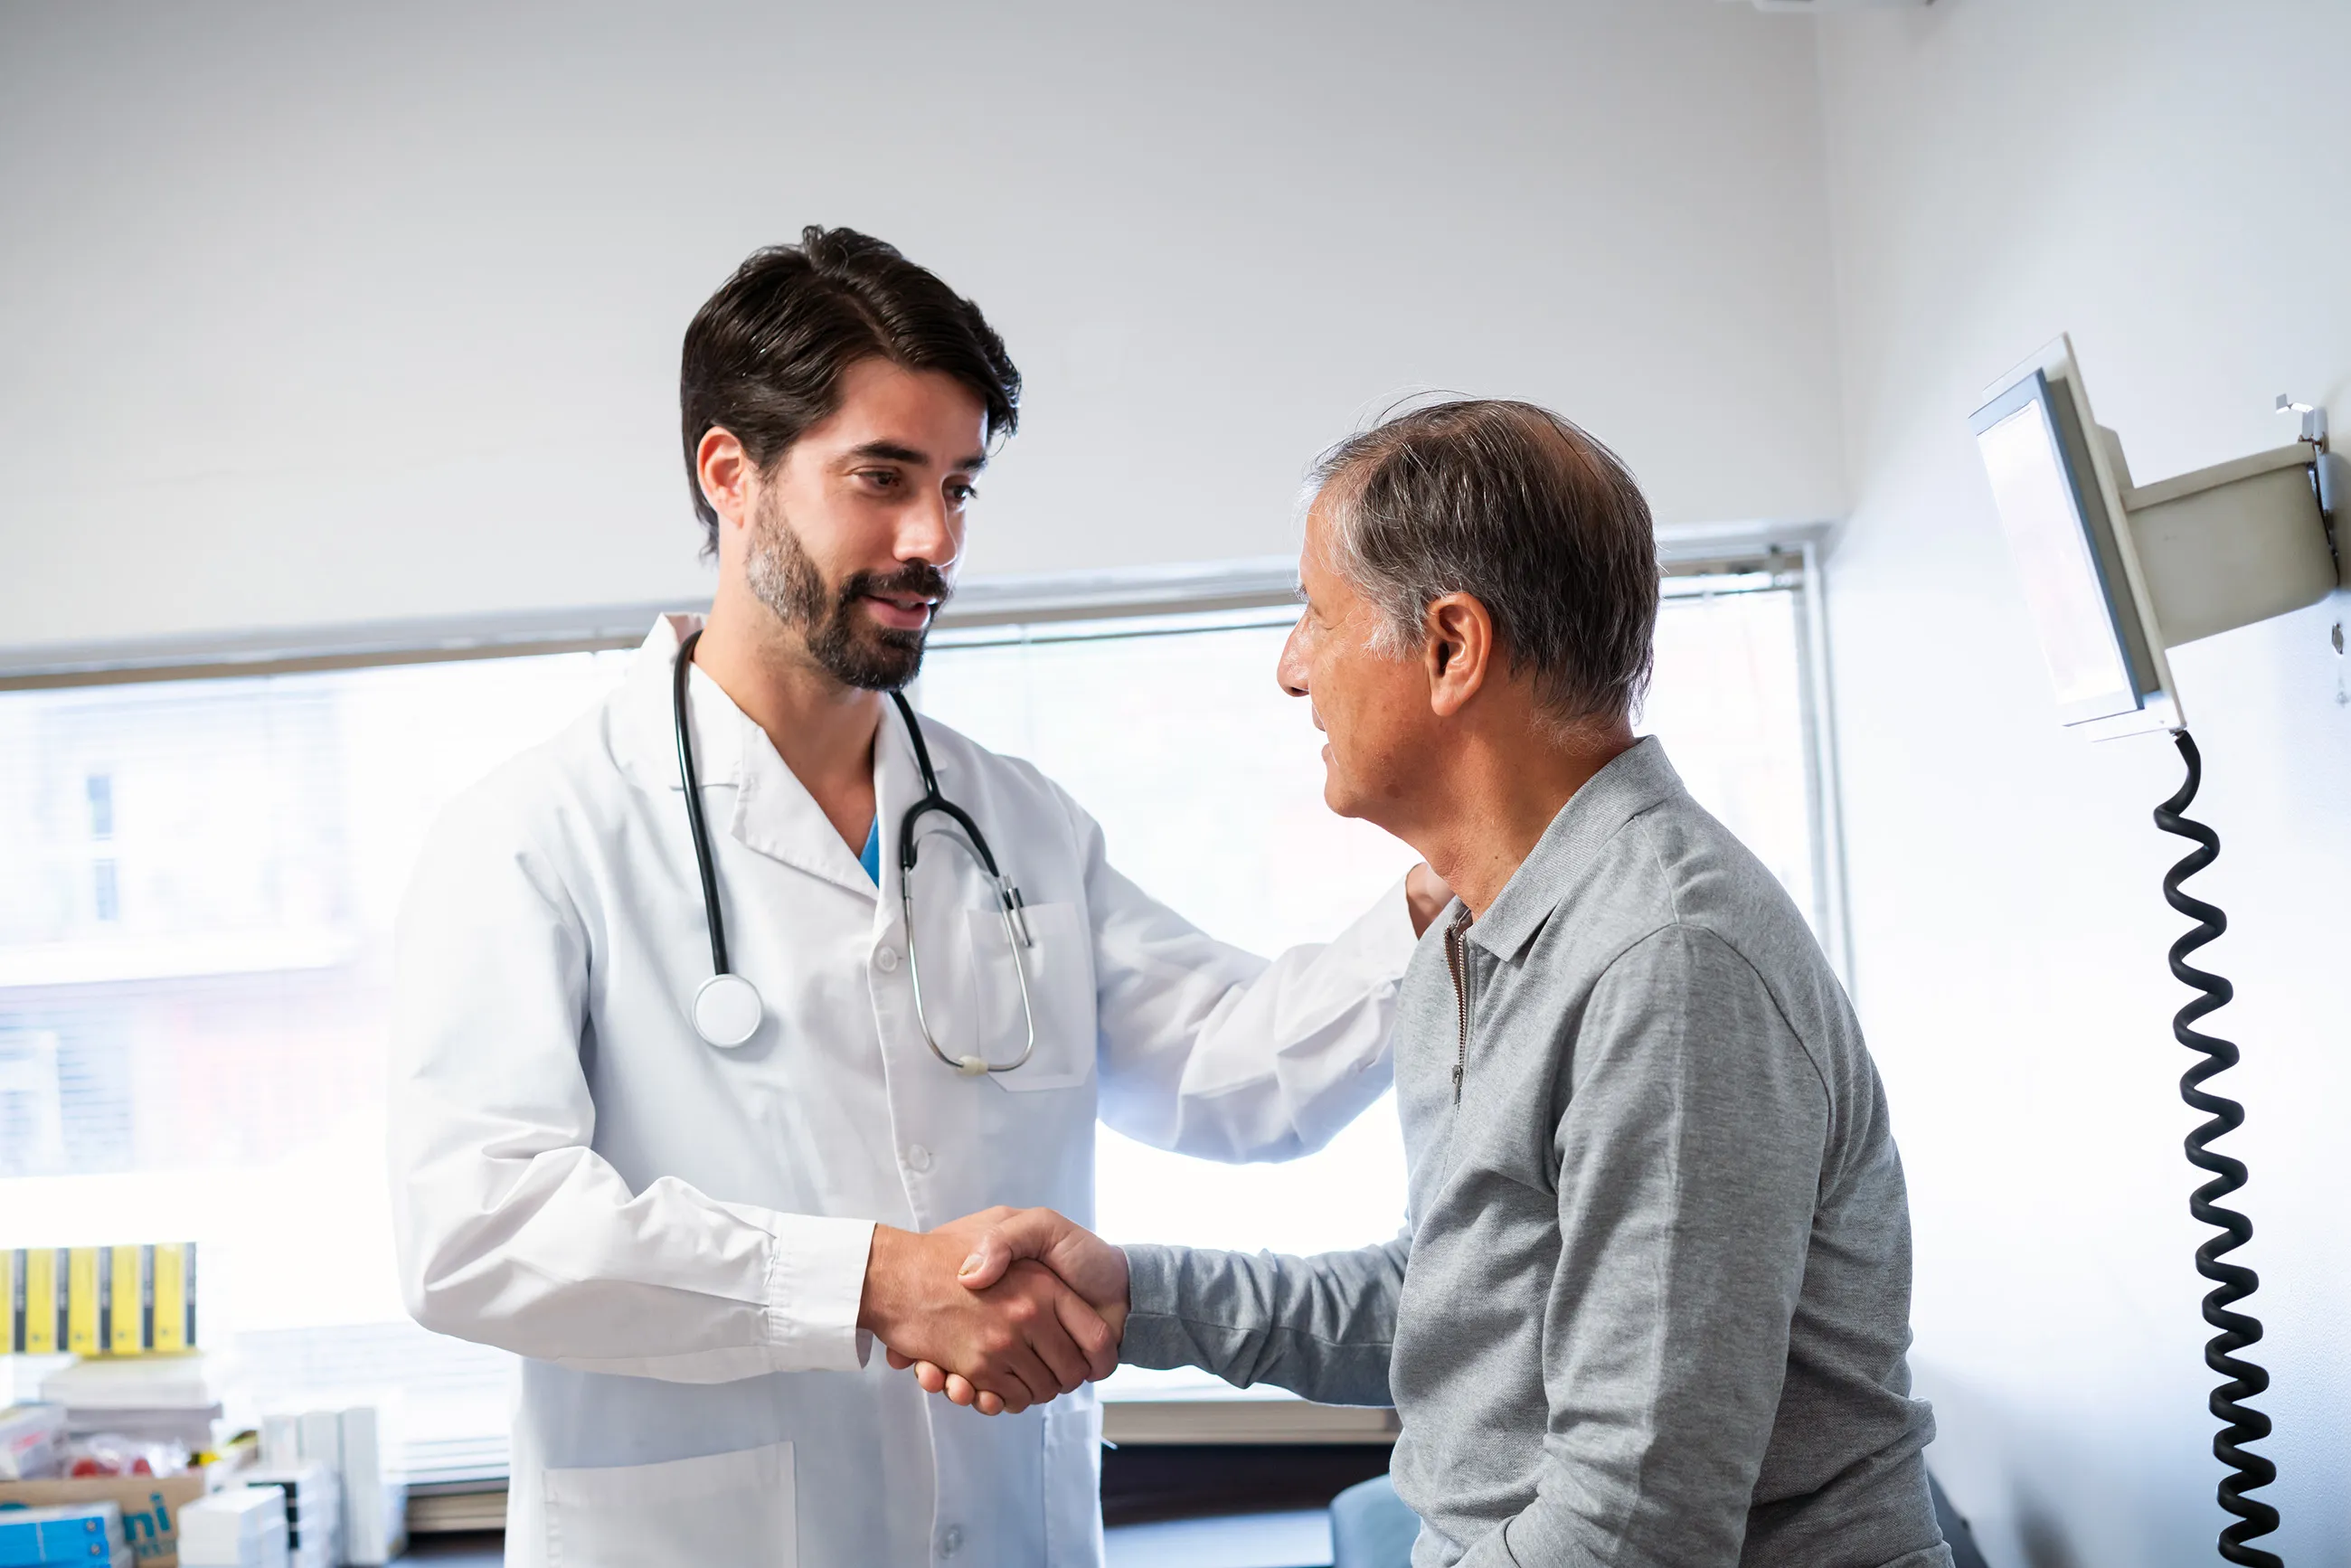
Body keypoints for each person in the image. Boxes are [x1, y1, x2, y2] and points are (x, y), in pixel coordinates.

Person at [388, 227, 1449, 1568]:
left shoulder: (1013, 824)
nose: (932, 538)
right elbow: (476, 1228)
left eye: (959, 486)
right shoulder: (540, 831)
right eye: (882, 478)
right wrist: (880, 1284)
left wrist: (1445, 891)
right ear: (734, 474)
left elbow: (1236, 1078)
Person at [926, 401, 1954, 1567]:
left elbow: (1636, 1528)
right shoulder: (1476, 932)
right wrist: (1135, 1300)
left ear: (1453, 648)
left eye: (1316, 615)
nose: (1290, 667)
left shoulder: (1667, 960)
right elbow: (1456, 1299)